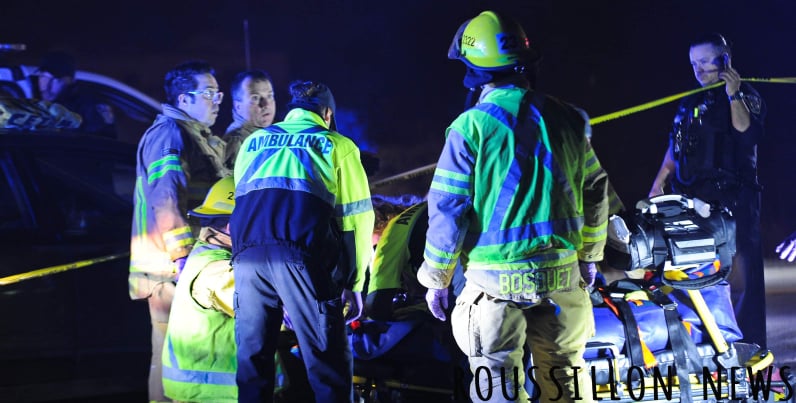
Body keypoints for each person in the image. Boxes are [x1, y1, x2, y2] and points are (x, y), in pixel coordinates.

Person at [418, 10, 610, 403]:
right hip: (562, 278)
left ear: (473, 71)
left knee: (498, 390)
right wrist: (590, 258)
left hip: (493, 288)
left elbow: (448, 210)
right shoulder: (570, 120)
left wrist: (436, 278)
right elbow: (595, 192)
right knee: (566, 385)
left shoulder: (469, 127)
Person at [230, 79, 374, 402]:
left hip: (246, 258)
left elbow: (241, 199)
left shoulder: (254, 141)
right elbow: (355, 220)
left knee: (253, 364)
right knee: (328, 365)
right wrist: (354, 281)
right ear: (326, 113)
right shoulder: (337, 145)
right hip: (300, 257)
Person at [647, 33, 767, 348]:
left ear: (725, 58)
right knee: (698, 274)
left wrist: (733, 92)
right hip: (693, 202)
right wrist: (660, 179)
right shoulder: (690, 103)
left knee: (738, 277)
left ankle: (747, 347)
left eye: (705, 62)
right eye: (693, 64)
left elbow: (746, 132)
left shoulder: (745, 96)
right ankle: (709, 344)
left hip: (733, 202)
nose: (699, 70)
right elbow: (676, 146)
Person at [129, 60, 229, 403]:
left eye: (219, 93)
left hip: (182, 266)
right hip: (170, 268)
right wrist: (184, 257)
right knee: (167, 356)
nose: (217, 100)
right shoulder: (170, 134)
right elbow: (166, 198)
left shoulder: (191, 135)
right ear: (184, 99)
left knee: (179, 358)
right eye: (209, 93)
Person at [161, 176, 289, 402]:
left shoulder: (220, 257)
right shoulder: (217, 270)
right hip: (216, 396)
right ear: (234, 224)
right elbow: (271, 310)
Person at [36, 50, 116, 137]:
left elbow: (102, 143)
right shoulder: (31, 100)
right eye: (43, 77)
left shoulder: (88, 107)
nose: (45, 86)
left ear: (70, 80)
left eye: (55, 79)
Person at [222, 69, 276, 169]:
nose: (266, 104)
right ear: (238, 106)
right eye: (255, 98)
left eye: (270, 96)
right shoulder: (237, 141)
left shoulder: (268, 133)